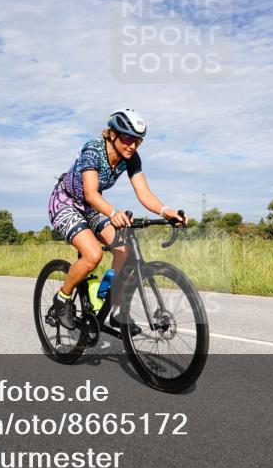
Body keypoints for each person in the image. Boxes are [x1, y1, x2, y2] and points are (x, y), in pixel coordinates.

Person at [47, 108, 186, 334]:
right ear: (112, 135)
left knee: (124, 250)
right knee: (94, 254)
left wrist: (165, 210)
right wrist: (113, 213)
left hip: (91, 207)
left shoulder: (130, 158)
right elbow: (91, 193)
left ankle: (115, 310)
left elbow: (143, 193)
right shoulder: (93, 149)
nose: (132, 146)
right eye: (128, 139)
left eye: (137, 142)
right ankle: (62, 298)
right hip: (66, 203)